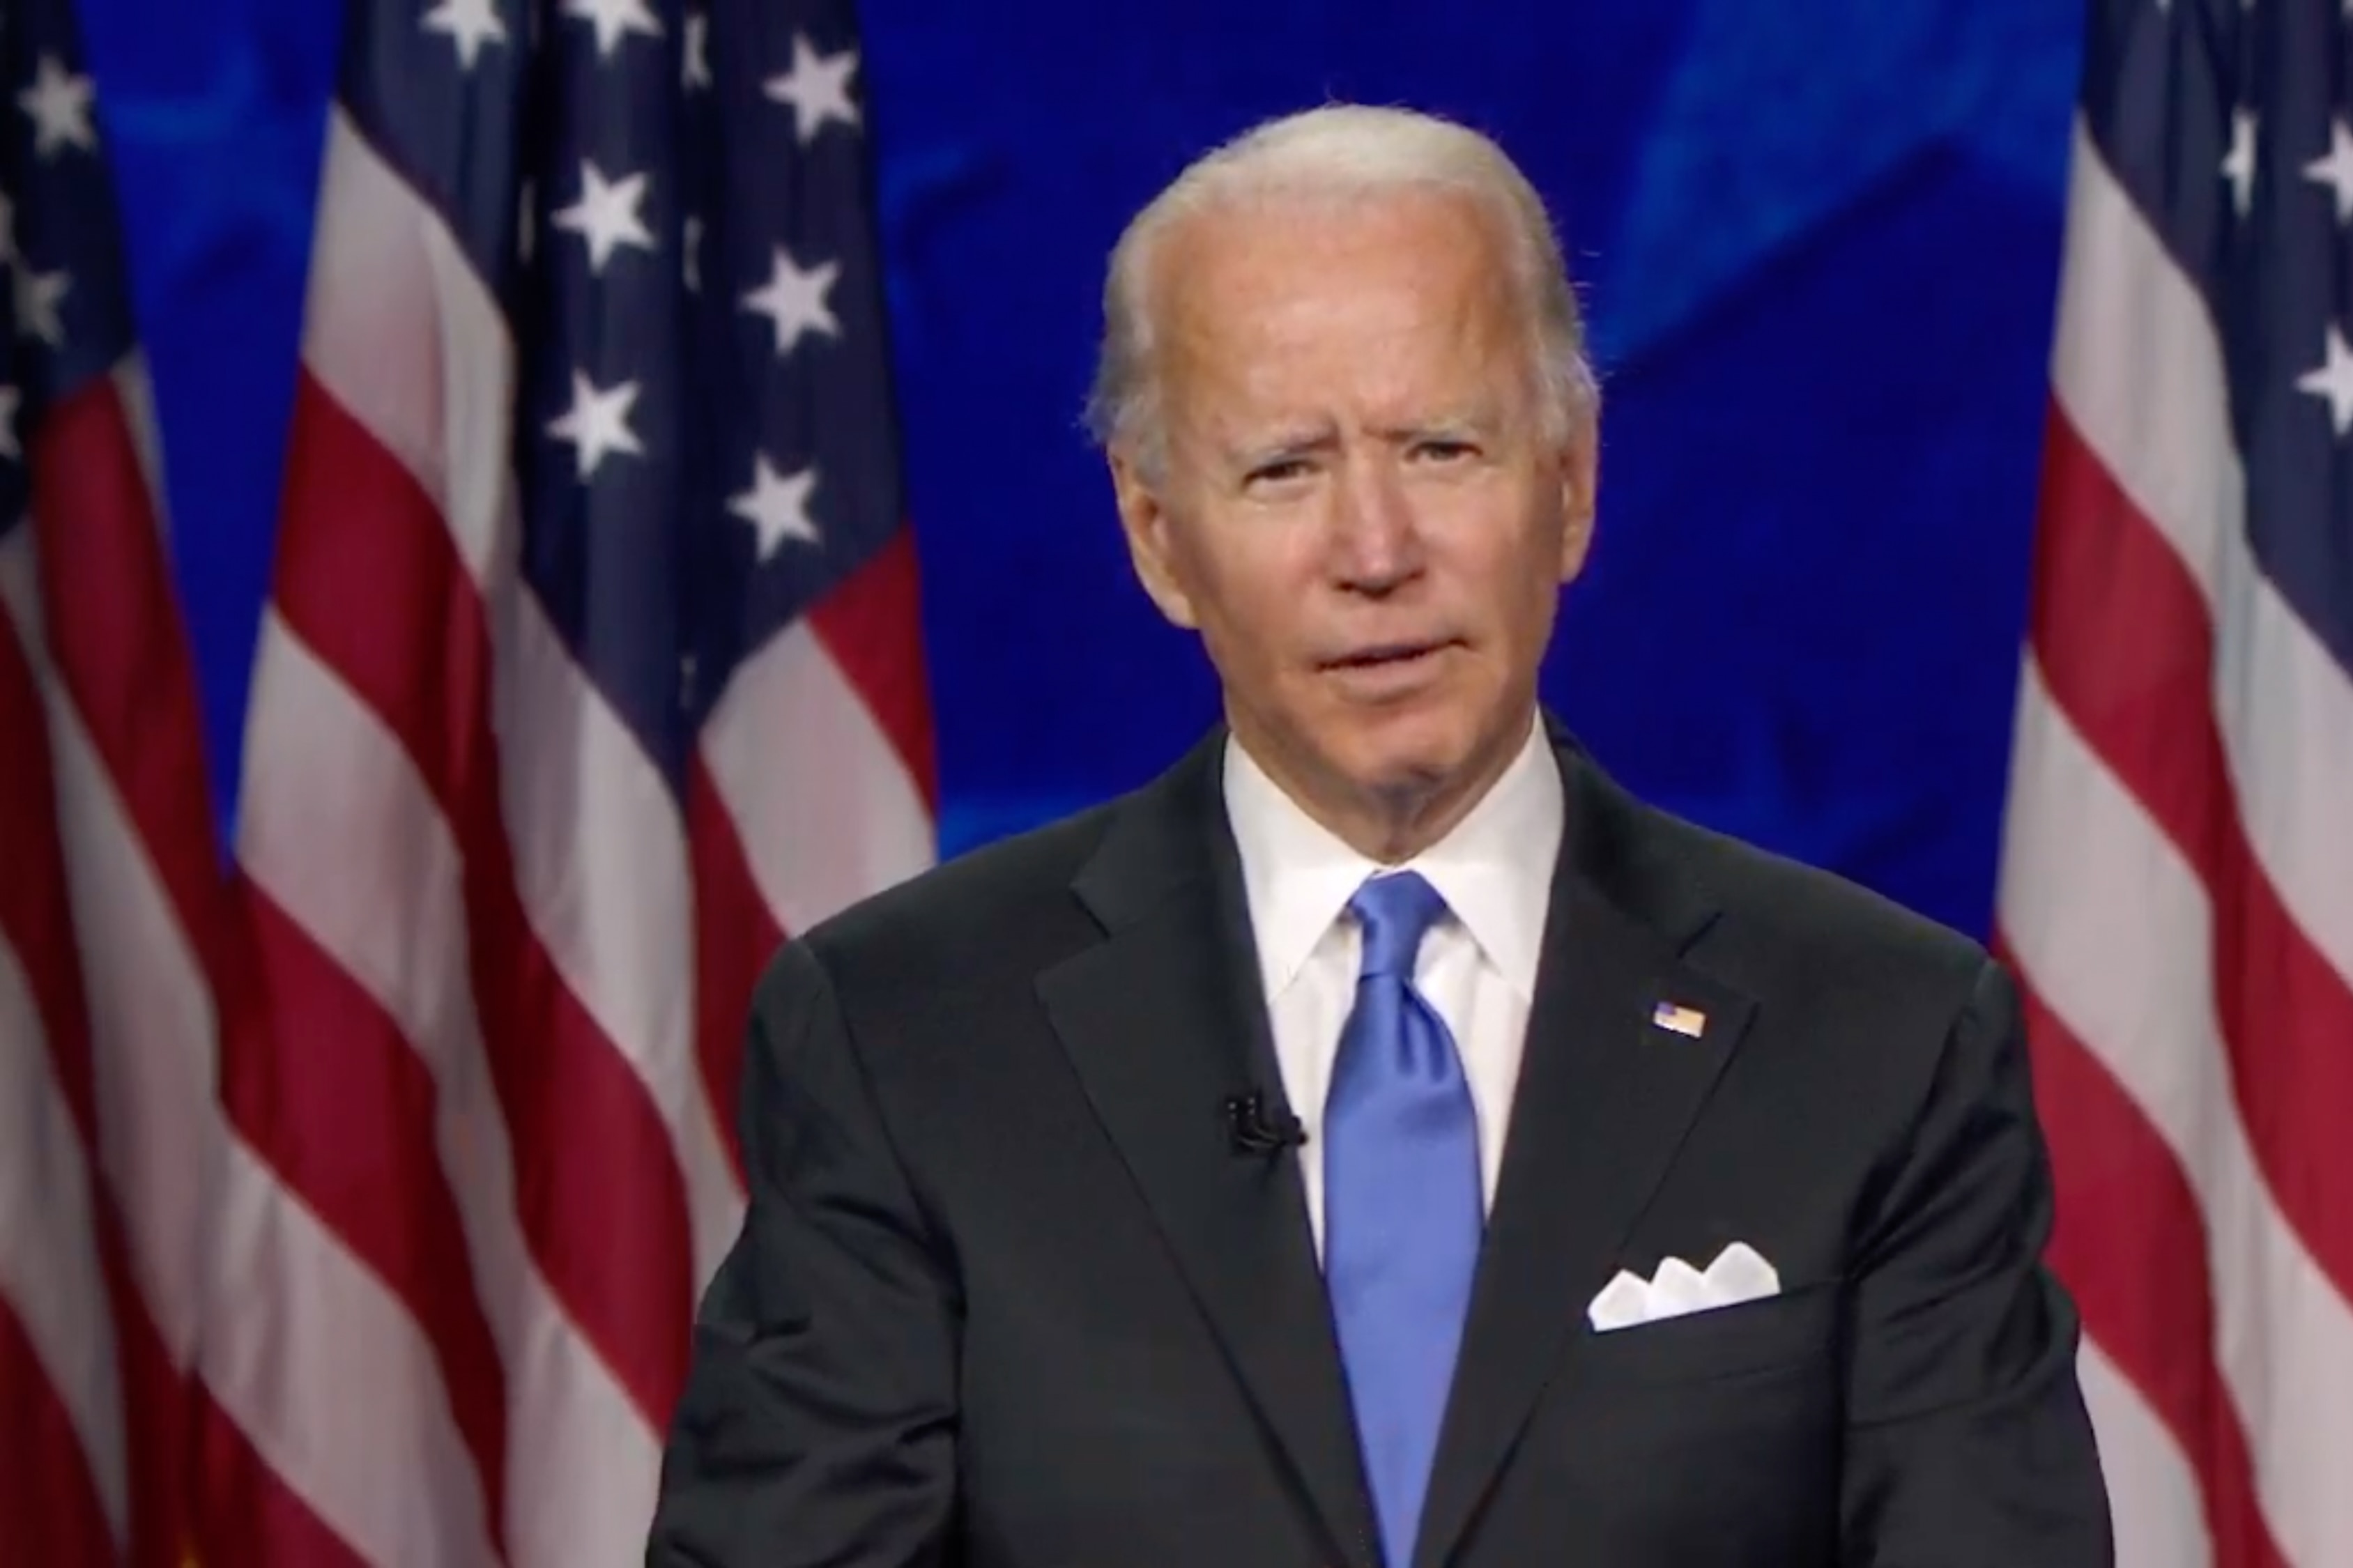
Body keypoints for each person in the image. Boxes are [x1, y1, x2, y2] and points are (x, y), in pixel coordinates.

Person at [646, 103, 2112, 1567]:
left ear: (1570, 485)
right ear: (1158, 536)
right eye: (1284, 466)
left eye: (1441, 448)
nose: (1373, 553)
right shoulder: (908, 1037)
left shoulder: (1877, 1040)